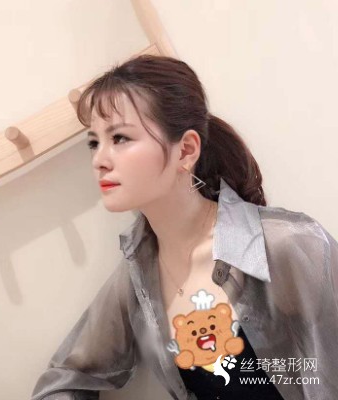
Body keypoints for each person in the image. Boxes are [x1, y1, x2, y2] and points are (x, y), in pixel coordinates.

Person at [31, 55, 338, 400]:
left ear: (186, 150)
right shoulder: (137, 277)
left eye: (119, 138)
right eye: (94, 142)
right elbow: (66, 377)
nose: (99, 160)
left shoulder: (286, 245)